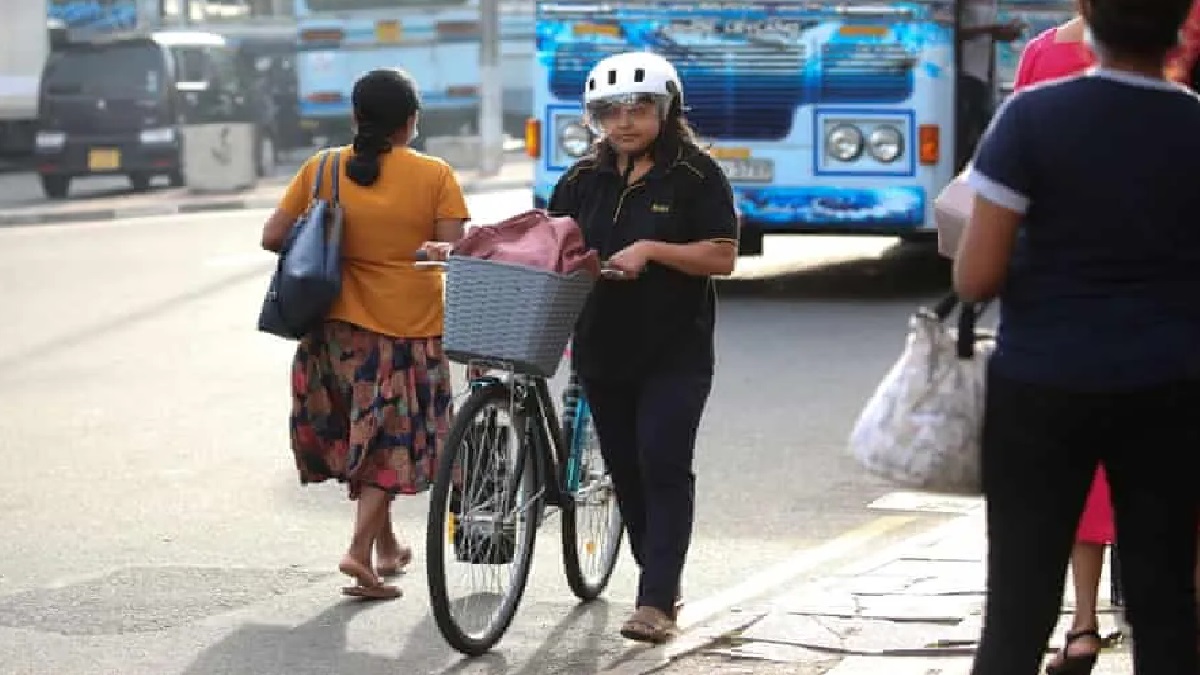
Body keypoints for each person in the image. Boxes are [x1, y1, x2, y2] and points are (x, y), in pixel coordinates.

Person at [954, 0, 1200, 672]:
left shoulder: (1032, 118)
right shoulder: (1193, 124)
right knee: (1167, 608)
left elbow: (976, 277)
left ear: (1087, 13)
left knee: (1017, 611)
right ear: (1181, 23)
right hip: (1171, 389)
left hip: (1041, 384)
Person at [547, 51, 738, 643]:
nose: (624, 122)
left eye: (638, 108)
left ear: (666, 110)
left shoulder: (696, 175)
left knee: (662, 462)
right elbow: (550, 242)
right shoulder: (582, 178)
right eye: (611, 111)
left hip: (674, 350)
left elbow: (722, 255)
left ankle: (656, 599)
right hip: (601, 347)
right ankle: (658, 577)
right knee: (627, 471)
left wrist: (652, 250)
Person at [259, 68, 470, 600]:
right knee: (390, 446)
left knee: (365, 435)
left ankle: (387, 547)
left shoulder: (322, 167)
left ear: (355, 116)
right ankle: (358, 552)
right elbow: (454, 251)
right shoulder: (434, 175)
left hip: (333, 332)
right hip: (406, 333)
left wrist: (335, 238)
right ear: (412, 121)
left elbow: (273, 236)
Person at [1007, 16, 1113, 674]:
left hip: (1064, 307)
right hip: (1167, 313)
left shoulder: (1043, 55)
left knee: (1079, 472)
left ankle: (1082, 625)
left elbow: (999, 201)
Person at [956, 0, 1025, 166]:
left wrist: (1004, 33)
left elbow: (987, 34)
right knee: (971, 130)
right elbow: (953, 32)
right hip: (966, 72)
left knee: (981, 129)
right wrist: (990, 30)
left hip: (983, 72)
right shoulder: (961, 5)